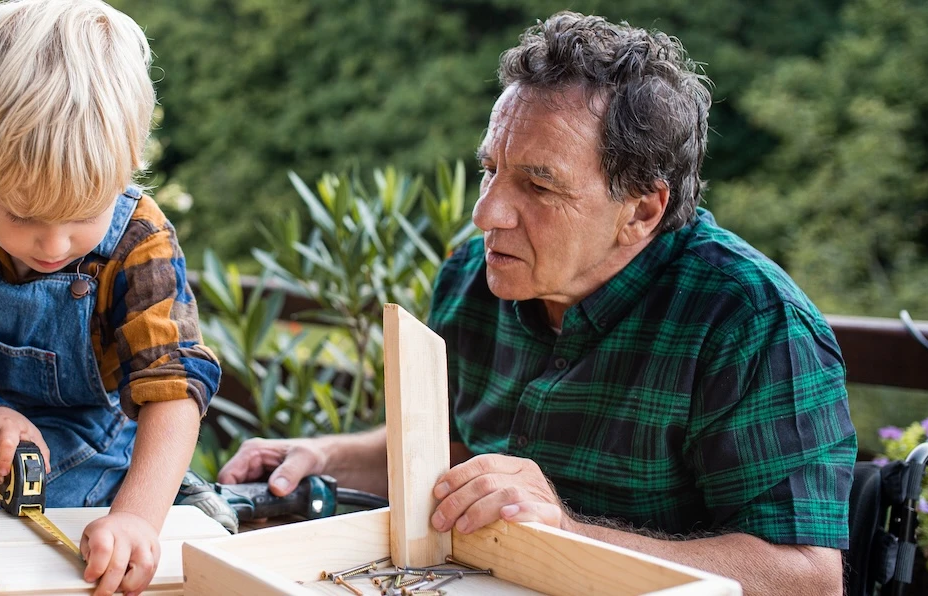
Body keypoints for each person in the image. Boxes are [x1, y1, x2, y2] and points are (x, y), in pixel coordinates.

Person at [218, 12, 854, 595]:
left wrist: (567, 533)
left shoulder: (752, 321)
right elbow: (454, 455)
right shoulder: (475, 277)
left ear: (641, 210)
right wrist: (329, 456)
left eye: (538, 184)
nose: (486, 212)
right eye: (491, 169)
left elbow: (808, 577)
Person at [0, 1, 221, 594]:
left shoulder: (139, 239)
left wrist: (137, 517)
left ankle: (191, 501)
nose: (53, 243)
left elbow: (171, 385)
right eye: (24, 214)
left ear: (126, 166)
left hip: (101, 445)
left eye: (84, 214)